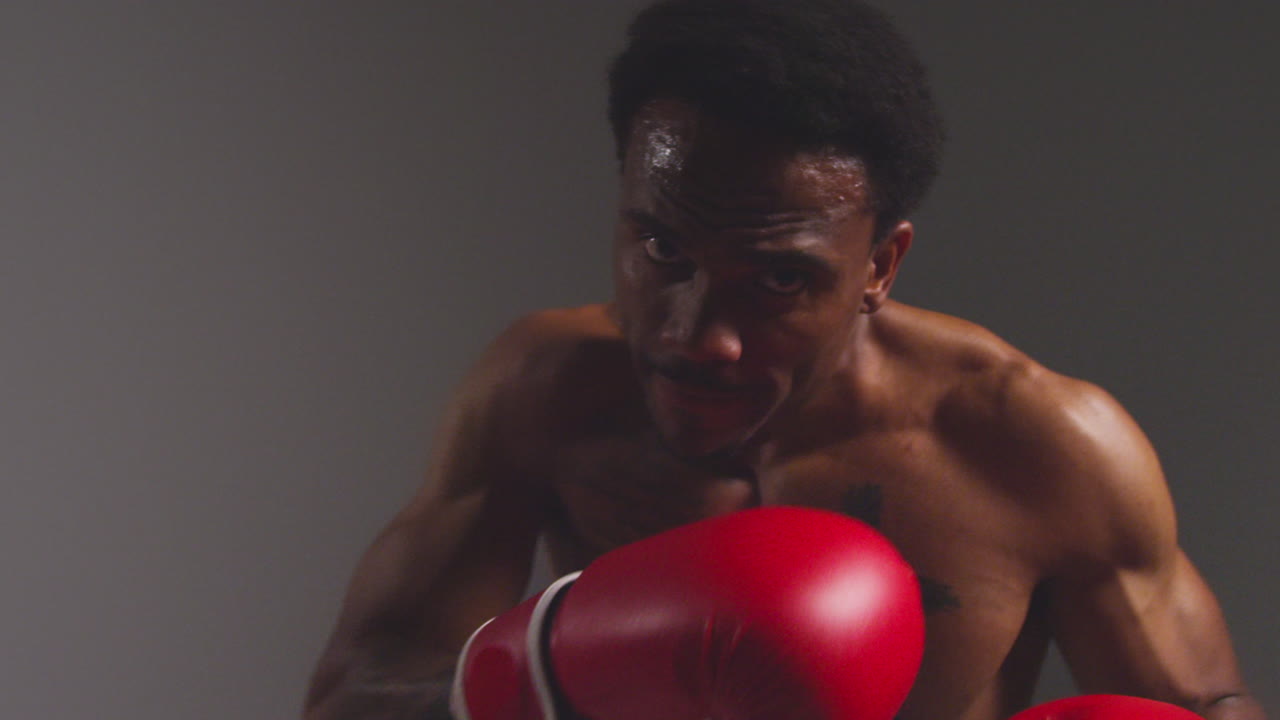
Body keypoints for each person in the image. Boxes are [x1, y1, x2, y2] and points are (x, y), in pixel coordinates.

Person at [302, 1, 1265, 719]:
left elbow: (1208, 703)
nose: (694, 334)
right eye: (662, 251)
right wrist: (533, 671)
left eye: (775, 281)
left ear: (880, 265)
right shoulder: (544, 394)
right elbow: (350, 697)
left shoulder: (1040, 447)